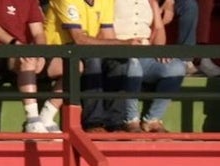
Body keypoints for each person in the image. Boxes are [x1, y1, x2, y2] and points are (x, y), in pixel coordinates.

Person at [41, 0, 128, 132]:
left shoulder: (106, 1)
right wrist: (124, 43)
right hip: (60, 50)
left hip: (88, 49)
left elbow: (107, 35)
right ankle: (93, 123)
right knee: (93, 60)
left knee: (119, 62)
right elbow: (79, 39)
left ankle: (116, 123)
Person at [0, 0, 52, 133]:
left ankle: (47, 117)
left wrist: (42, 54)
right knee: (28, 61)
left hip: (22, 56)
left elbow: (38, 33)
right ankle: (32, 120)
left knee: (73, 66)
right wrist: (17, 45)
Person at [114, 0, 186, 133]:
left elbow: (158, 35)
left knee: (176, 67)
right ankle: (131, 120)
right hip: (118, 51)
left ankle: (152, 120)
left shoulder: (150, 2)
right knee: (133, 64)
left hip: (145, 52)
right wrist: (124, 44)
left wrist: (159, 49)